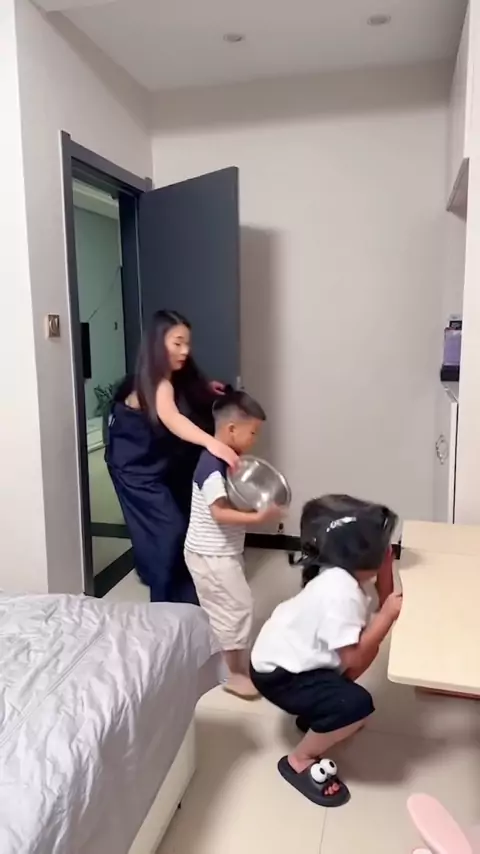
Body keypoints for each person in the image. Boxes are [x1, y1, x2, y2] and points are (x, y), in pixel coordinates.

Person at [250, 494, 402, 807]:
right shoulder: (341, 594)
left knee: (365, 654)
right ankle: (299, 759)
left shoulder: (338, 572)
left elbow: (384, 597)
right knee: (357, 705)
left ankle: (320, 713)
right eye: (383, 548)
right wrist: (387, 616)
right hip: (279, 674)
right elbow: (355, 656)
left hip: (290, 659)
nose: (387, 552)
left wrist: (386, 568)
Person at [106, 309, 238, 604]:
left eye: (187, 343)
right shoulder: (157, 383)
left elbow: (174, 401)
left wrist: (205, 387)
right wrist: (214, 444)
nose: (185, 350)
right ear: (158, 342)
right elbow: (173, 419)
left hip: (152, 462)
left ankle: (178, 595)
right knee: (168, 531)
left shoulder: (166, 377)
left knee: (173, 527)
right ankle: (164, 600)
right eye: (177, 343)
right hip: (133, 471)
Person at [184, 391, 284, 699]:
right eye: (252, 432)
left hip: (222, 551)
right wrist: (259, 517)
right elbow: (219, 512)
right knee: (237, 607)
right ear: (231, 429)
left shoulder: (227, 460)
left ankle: (230, 663)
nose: (255, 439)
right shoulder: (212, 466)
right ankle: (232, 674)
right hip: (210, 554)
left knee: (228, 607)